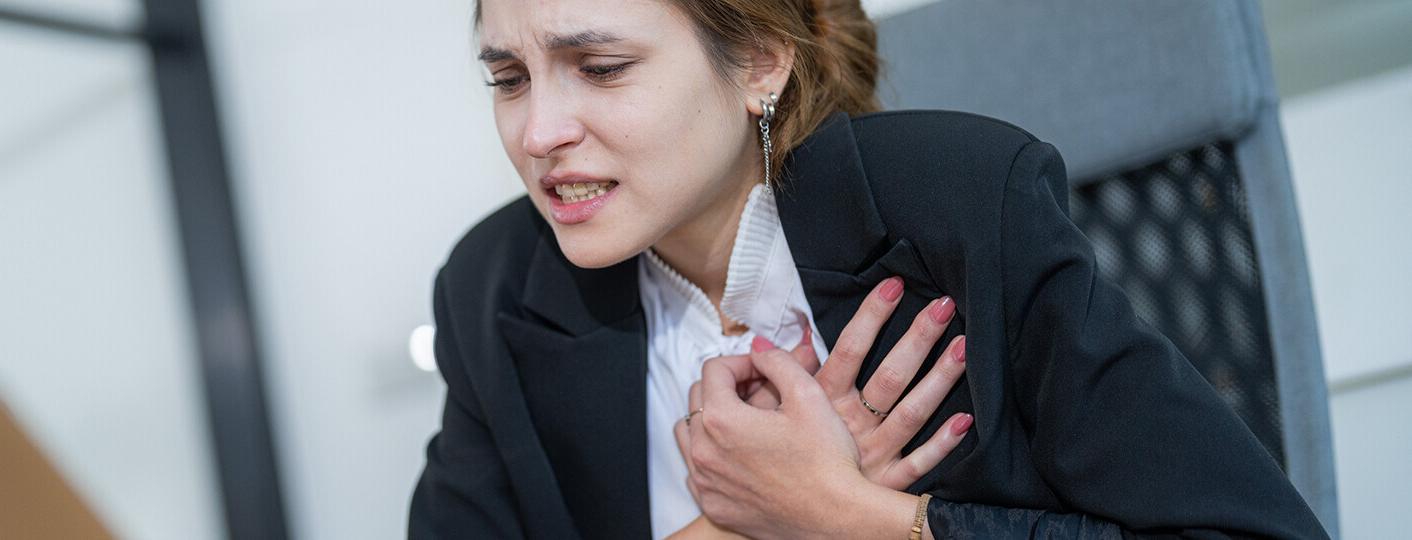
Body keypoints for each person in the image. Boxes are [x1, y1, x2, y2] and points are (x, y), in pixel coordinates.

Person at [407, 0, 1330, 538]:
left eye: (602, 67)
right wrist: (743, 523)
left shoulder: (960, 206)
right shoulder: (493, 290)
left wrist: (859, 521)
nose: (537, 133)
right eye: (509, 79)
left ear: (760, 64)